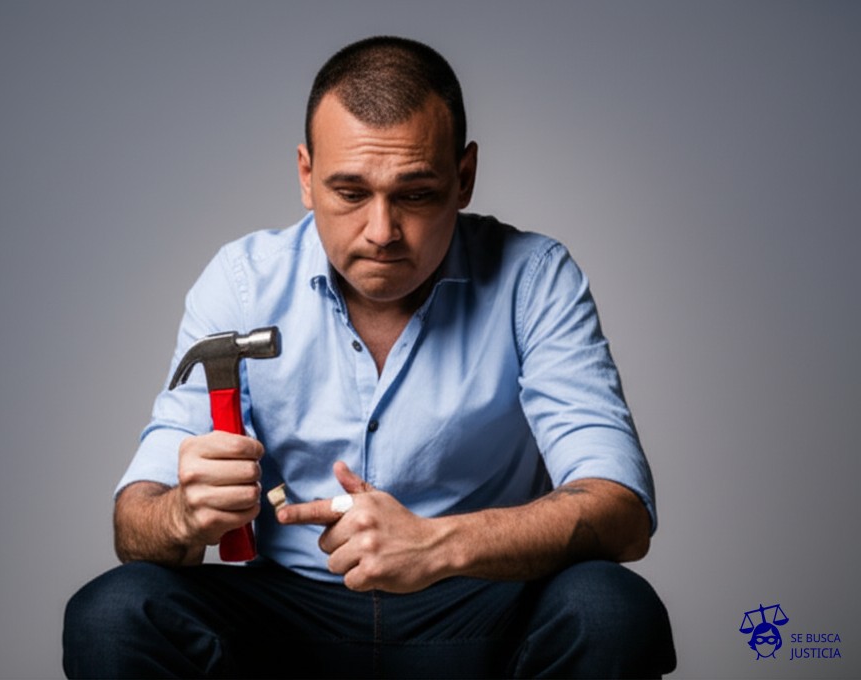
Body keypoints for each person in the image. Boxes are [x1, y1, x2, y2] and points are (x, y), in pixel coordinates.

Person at [64, 36, 676, 678]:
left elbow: (622, 512)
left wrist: (439, 545)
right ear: (306, 176)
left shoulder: (534, 279)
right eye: (350, 192)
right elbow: (134, 524)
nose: (382, 232)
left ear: (463, 178)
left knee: (612, 611)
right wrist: (182, 514)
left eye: (414, 194)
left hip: (481, 610)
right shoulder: (242, 282)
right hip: (289, 624)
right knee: (113, 615)